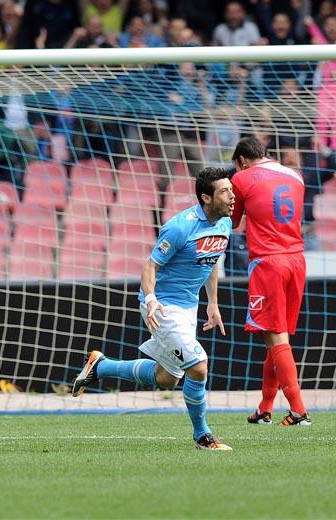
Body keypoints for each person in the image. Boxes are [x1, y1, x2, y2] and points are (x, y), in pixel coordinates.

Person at [72, 167, 235, 451]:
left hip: (189, 308)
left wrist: (213, 303)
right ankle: (203, 436)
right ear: (206, 198)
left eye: (232, 189)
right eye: (225, 191)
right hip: (162, 306)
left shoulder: (224, 224)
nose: (233, 196)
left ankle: (101, 366)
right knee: (198, 367)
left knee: (167, 378)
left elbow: (210, 261)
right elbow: (150, 265)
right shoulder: (180, 226)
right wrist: (150, 300)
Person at [230, 136, 311, 427]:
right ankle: (265, 408)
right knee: (276, 339)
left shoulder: (241, 178)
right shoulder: (295, 175)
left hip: (268, 261)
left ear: (240, 160)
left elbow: (234, 222)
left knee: (275, 336)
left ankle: (299, 410)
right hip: (297, 259)